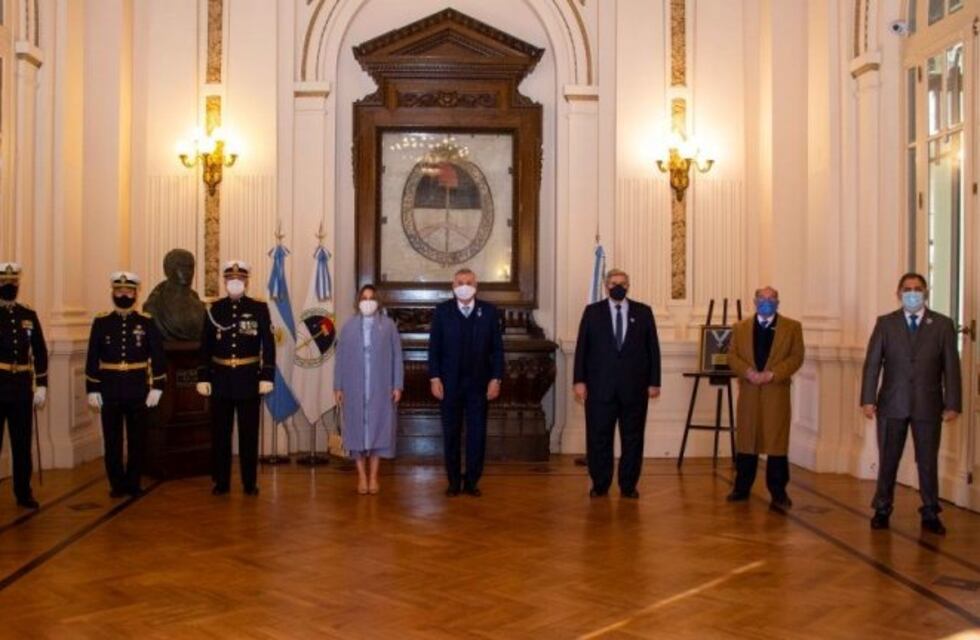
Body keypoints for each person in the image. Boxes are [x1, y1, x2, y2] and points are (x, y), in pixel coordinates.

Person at [860, 272, 961, 534]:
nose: (912, 293)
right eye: (907, 289)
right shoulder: (885, 323)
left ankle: (930, 511)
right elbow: (872, 364)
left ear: (925, 292)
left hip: (928, 404)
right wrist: (868, 399)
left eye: (917, 288)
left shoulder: (942, 324)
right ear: (898, 293)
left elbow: (952, 367)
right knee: (888, 459)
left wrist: (952, 403)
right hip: (892, 403)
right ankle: (882, 508)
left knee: (927, 460)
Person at [573, 268, 661, 499]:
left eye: (623, 283)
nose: (618, 287)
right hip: (600, 387)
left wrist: (654, 382)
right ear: (606, 286)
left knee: (632, 438)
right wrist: (579, 381)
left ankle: (629, 485)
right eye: (613, 283)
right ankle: (600, 484)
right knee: (599, 437)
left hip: (634, 388)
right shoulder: (592, 312)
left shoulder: (643, 312)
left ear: (629, 285)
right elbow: (582, 348)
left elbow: (653, 349)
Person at [85, 272, 167, 497]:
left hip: (137, 388)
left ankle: (133, 482)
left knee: (137, 440)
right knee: (112, 441)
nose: (124, 294)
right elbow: (92, 356)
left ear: (136, 293)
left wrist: (157, 386)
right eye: (119, 291)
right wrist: (92, 388)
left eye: (128, 291)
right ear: (113, 292)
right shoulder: (101, 322)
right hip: (109, 389)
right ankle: (116, 484)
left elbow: (157, 355)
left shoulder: (146, 322)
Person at [197, 261, 275, 496]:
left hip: (249, 379)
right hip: (220, 380)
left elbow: (268, 345)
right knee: (220, 434)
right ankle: (221, 482)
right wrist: (203, 376)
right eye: (230, 280)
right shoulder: (214, 309)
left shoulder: (259, 308)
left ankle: (249, 482)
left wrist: (267, 374)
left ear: (246, 282)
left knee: (249, 435)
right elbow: (205, 346)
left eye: (239, 280)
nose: (234, 283)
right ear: (224, 282)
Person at [725, 286, 805, 510]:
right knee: (747, 442)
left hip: (776, 392)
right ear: (755, 301)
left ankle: (778, 493)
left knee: (776, 444)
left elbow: (797, 357)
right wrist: (748, 372)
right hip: (749, 392)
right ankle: (741, 489)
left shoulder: (792, 328)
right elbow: (732, 356)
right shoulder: (740, 328)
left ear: (778, 302)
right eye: (762, 298)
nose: (767, 302)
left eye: (771, 298)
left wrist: (773, 374)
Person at [428, 268, 504, 497]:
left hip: (479, 386)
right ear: (453, 286)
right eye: (460, 282)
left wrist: (496, 379)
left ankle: (472, 481)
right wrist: (434, 378)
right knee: (451, 434)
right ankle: (453, 481)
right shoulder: (442, 312)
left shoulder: (489, 312)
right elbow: (434, 349)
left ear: (476, 285)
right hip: (449, 385)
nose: (464, 285)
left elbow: (497, 350)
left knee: (477, 434)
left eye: (468, 282)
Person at [333, 285, 404, 495]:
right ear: (358, 301)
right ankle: (361, 477)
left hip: (380, 387)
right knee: (356, 431)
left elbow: (397, 357)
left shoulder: (388, 326)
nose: (367, 301)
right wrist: (338, 386)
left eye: (371, 298)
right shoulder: (348, 327)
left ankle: (374, 477)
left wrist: (397, 384)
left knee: (378, 430)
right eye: (364, 298)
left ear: (378, 302)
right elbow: (340, 360)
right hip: (354, 387)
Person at [0, 262, 47, 509]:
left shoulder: (27, 315)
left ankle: (23, 491)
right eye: (5, 281)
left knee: (21, 443)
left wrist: (41, 384)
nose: (9, 285)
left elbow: (39, 351)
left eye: (13, 281)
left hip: (21, 388)